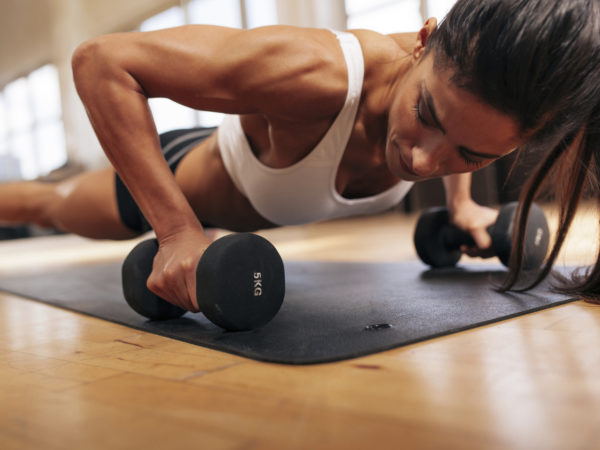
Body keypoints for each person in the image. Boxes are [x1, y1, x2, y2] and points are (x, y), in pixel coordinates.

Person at [1, 0, 598, 311]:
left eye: (470, 154)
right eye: (427, 116)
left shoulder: (472, 113)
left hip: (239, 226)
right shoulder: (311, 74)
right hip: (186, 181)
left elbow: (457, 131)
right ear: (422, 41)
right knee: (49, 206)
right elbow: (101, 61)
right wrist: (178, 229)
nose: (422, 163)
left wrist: (462, 205)